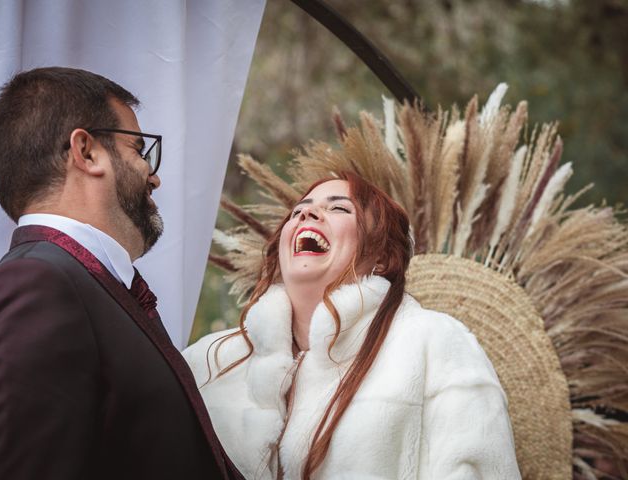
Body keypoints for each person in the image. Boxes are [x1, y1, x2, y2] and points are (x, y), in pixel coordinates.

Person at [0, 67, 243, 480]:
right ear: (86, 152)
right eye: (139, 150)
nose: (153, 175)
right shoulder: (37, 286)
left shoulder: (86, 285)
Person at [184, 171, 522, 479]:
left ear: (381, 257)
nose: (306, 214)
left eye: (339, 209)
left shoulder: (436, 344)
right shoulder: (208, 361)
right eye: (299, 210)